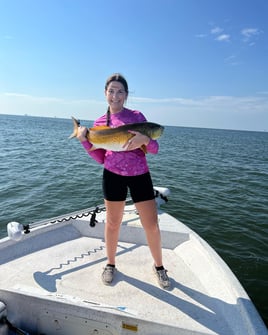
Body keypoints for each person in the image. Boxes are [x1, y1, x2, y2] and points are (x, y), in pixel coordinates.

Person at [76, 73, 170, 289]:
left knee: (151, 225)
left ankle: (159, 267)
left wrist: (145, 139)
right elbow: (100, 157)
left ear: (126, 95)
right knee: (112, 223)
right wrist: (83, 141)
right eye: (111, 91)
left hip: (139, 175)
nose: (115, 96)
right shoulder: (99, 124)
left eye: (120, 92)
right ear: (105, 93)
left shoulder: (137, 117)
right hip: (112, 176)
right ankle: (110, 264)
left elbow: (154, 150)